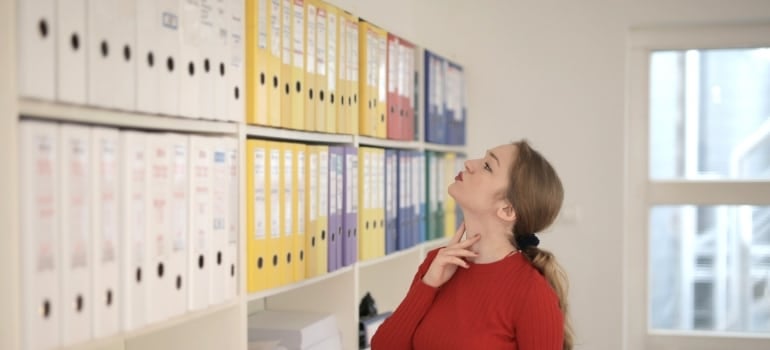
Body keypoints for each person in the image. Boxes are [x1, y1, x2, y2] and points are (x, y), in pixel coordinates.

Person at [371, 140, 574, 350]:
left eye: (487, 166)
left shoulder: (533, 293)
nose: (469, 163)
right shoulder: (438, 263)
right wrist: (428, 284)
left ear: (507, 210)